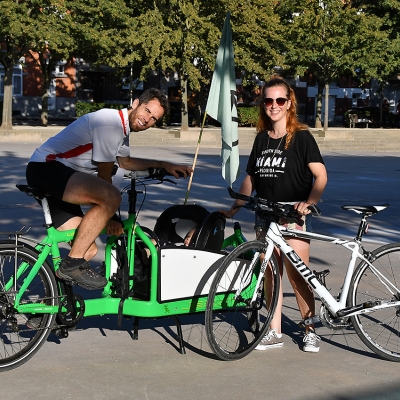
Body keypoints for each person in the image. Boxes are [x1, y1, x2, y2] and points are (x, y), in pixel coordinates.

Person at [26, 88, 192, 290]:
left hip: (59, 176)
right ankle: (71, 266)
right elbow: (104, 177)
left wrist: (163, 164)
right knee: (111, 197)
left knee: (86, 249)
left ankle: (49, 308)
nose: (147, 119)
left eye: (154, 119)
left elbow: (126, 162)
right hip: (48, 168)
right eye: (147, 111)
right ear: (135, 103)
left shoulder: (122, 130)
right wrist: (111, 217)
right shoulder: (110, 124)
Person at [220, 76, 327, 353]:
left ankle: (309, 329)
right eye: (268, 100)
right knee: (270, 274)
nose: (274, 105)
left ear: (289, 103)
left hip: (292, 214)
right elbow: (251, 178)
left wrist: (309, 202)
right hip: (265, 214)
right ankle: (274, 330)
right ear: (263, 104)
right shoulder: (261, 140)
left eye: (280, 100)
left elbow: (320, 176)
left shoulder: (302, 137)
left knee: (298, 274)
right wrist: (236, 207)